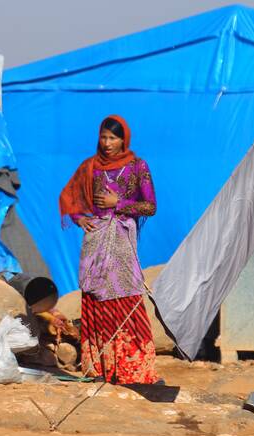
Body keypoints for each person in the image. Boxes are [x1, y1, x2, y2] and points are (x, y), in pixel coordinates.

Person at [58, 115, 158, 384]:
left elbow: (150, 206)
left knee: (127, 296)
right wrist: (80, 219)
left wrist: (119, 202)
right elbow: (67, 197)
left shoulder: (138, 167)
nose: (107, 143)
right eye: (103, 137)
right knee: (95, 297)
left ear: (124, 139)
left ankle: (135, 370)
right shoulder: (91, 166)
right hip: (96, 239)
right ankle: (99, 368)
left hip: (123, 241)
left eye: (113, 138)